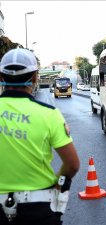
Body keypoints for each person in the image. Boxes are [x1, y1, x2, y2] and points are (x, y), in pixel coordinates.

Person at [0, 48, 80, 225]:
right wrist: (59, 181)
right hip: (37, 210)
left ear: (1, 77)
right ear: (35, 78)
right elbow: (72, 165)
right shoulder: (49, 114)